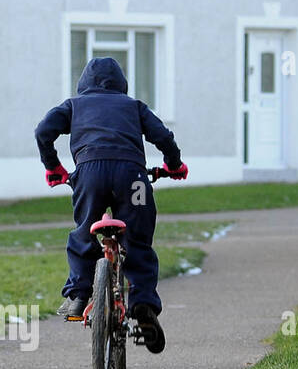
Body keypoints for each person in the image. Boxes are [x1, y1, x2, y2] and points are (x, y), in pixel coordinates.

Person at [34, 57, 187, 353]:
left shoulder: (74, 106)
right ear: (121, 84)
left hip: (89, 175)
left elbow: (43, 132)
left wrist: (53, 166)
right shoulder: (133, 106)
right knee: (138, 238)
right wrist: (174, 164)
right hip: (134, 179)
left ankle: (79, 295)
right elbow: (163, 137)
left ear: (83, 84)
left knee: (84, 232)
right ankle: (143, 304)